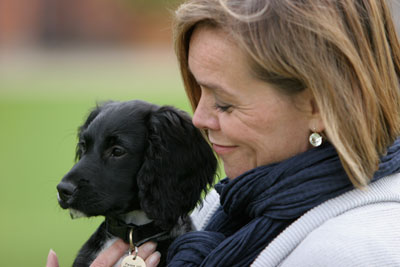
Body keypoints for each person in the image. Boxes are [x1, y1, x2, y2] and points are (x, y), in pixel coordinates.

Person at [47, 0, 400, 266]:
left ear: (317, 106)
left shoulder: (355, 251)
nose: (198, 118)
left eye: (226, 104)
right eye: (198, 91)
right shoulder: (226, 199)